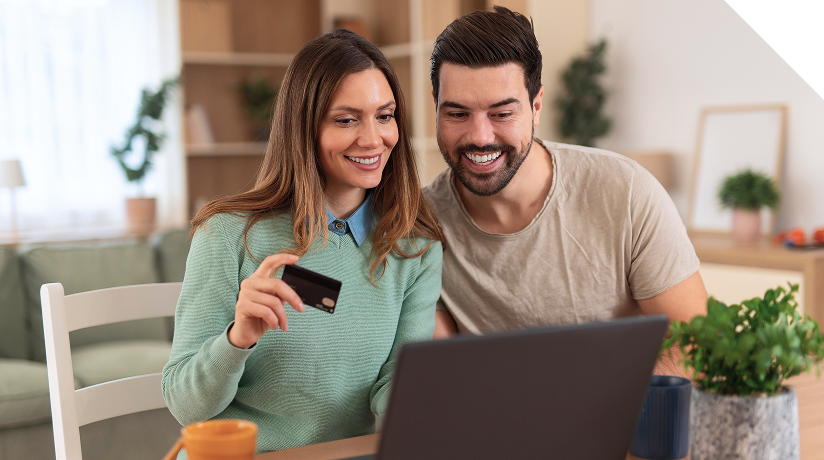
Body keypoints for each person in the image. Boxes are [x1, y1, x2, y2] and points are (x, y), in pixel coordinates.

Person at [162, 29, 444, 453]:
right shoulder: (227, 233)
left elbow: (395, 388)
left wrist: (438, 407)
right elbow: (186, 405)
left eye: (385, 116)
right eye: (346, 119)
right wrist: (238, 339)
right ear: (304, 129)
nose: (373, 139)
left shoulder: (415, 248)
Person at [423, 6, 707, 374]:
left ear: (536, 106)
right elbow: (444, 372)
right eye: (457, 114)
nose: (480, 136)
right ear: (436, 109)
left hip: (625, 422)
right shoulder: (421, 222)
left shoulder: (626, 193)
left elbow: (694, 347)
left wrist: (587, 410)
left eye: (502, 113)